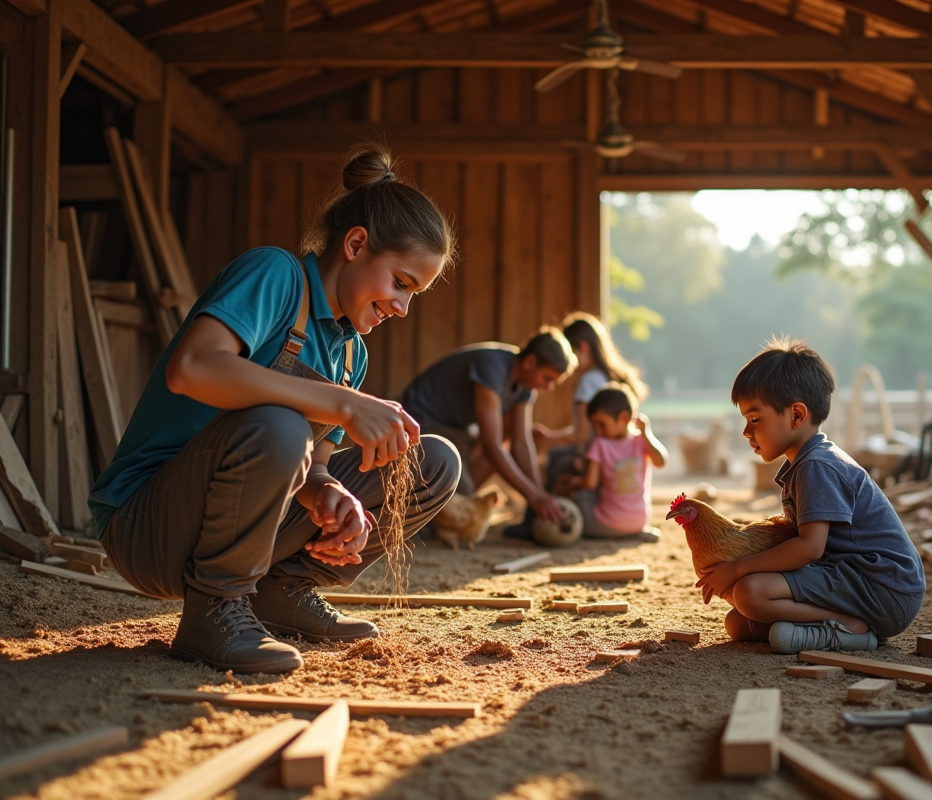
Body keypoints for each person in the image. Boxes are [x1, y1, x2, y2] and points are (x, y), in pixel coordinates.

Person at [89, 143, 461, 675]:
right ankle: (215, 606)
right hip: (147, 526)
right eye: (401, 283)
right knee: (280, 421)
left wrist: (332, 498)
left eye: (414, 295)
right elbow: (192, 367)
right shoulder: (276, 275)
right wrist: (342, 402)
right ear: (356, 244)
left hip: (244, 522)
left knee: (433, 460)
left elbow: (312, 467)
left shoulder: (351, 350)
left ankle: (283, 588)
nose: (402, 308)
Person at [696, 337, 925, 653]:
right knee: (739, 623)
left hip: (882, 587)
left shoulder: (816, 466)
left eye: (755, 419)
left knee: (750, 592)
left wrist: (737, 568)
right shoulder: (808, 461)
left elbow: (810, 547)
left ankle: (848, 627)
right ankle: (830, 628)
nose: (746, 432)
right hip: (860, 580)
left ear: (797, 415)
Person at [398, 328, 576, 533]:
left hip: (456, 432)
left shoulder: (526, 385)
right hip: (421, 425)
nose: (550, 387)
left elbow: (521, 442)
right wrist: (534, 496)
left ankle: (436, 510)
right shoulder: (492, 367)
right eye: (547, 378)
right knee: (459, 494)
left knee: (461, 494)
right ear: (530, 363)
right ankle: (421, 516)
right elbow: (492, 445)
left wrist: (539, 496)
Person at [534, 311, 648, 495]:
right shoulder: (611, 377)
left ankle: (540, 514)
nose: (567, 362)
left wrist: (547, 438)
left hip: (598, 459)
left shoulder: (588, 382)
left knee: (556, 460)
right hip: (621, 457)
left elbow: (582, 435)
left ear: (583, 348)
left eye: (570, 353)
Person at [565, 384, 667, 542]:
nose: (598, 431)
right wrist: (648, 434)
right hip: (639, 522)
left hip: (604, 525)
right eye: (595, 426)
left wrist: (572, 484)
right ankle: (635, 533)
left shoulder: (599, 444)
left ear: (624, 418)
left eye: (602, 424)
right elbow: (661, 462)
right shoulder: (641, 440)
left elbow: (590, 483)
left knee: (582, 496)